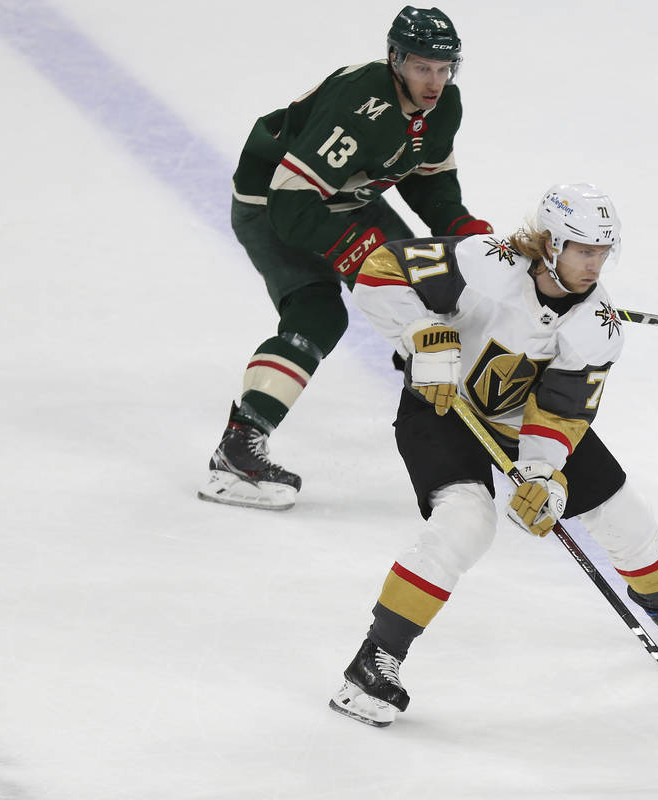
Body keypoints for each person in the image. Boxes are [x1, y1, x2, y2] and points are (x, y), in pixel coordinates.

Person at [328, 183, 658, 727]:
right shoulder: (485, 262)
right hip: (443, 405)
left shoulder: (599, 326)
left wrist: (544, 477)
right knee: (466, 522)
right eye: (583, 251)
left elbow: (563, 410)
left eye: (602, 254)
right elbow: (381, 269)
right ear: (550, 243)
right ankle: (373, 664)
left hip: (525, 418)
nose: (595, 266)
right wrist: (421, 331)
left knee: (626, 518)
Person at [198, 6, 493, 511]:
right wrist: (360, 255)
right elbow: (292, 202)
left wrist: (462, 230)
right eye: (423, 67)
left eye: (445, 69)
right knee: (319, 312)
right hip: (273, 204)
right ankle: (238, 447)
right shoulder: (361, 102)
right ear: (396, 58)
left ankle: (466, 424)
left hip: (345, 197)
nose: (436, 81)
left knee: (433, 291)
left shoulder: (445, 106)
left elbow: (429, 178)